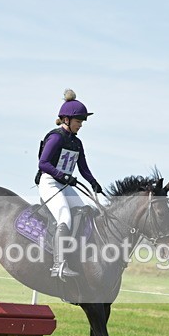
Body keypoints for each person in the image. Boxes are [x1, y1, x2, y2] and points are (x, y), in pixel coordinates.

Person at [36, 89, 103, 279]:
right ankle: (58, 264)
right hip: (49, 182)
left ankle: (74, 254)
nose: (81, 125)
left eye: (81, 122)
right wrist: (63, 176)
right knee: (64, 217)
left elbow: (83, 168)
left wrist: (93, 182)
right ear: (66, 119)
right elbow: (43, 163)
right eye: (78, 121)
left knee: (84, 212)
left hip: (64, 186)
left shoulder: (77, 143)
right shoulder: (56, 137)